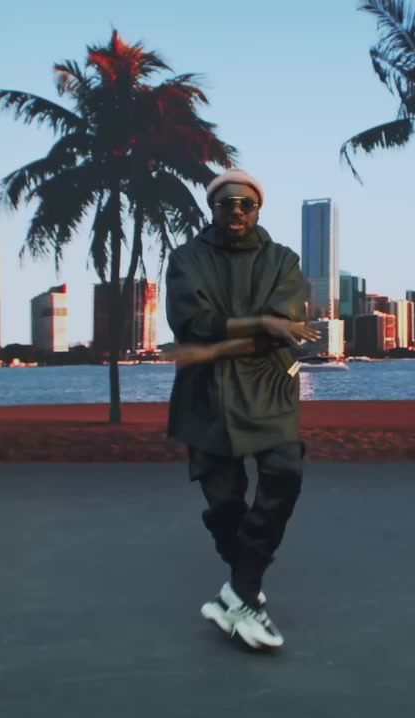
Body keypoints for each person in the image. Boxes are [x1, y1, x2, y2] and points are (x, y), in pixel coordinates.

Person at [163, 169, 319, 650]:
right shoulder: (186, 259)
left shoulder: (283, 260)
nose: (236, 210)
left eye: (245, 204)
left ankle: (240, 592)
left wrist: (217, 344)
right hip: (206, 396)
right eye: (226, 203)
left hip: (269, 388)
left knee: (285, 474)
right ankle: (243, 590)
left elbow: (284, 327)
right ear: (212, 208)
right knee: (224, 504)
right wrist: (263, 323)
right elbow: (192, 322)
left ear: (258, 209)